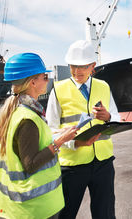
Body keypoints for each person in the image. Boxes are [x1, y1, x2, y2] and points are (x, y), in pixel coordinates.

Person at [0, 53, 98, 219]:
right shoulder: (28, 119)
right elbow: (31, 163)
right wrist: (60, 141)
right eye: (45, 77)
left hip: (31, 204)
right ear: (33, 82)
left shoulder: (21, 111)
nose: (48, 80)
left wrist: (62, 134)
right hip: (35, 206)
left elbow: (35, 143)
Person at [46, 40, 120, 219]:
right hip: (72, 165)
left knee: (106, 214)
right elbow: (50, 130)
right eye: (73, 66)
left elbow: (117, 117)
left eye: (83, 66)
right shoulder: (58, 89)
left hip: (103, 162)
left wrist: (108, 117)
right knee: (65, 214)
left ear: (93, 66)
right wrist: (75, 142)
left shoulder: (104, 86)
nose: (77, 71)